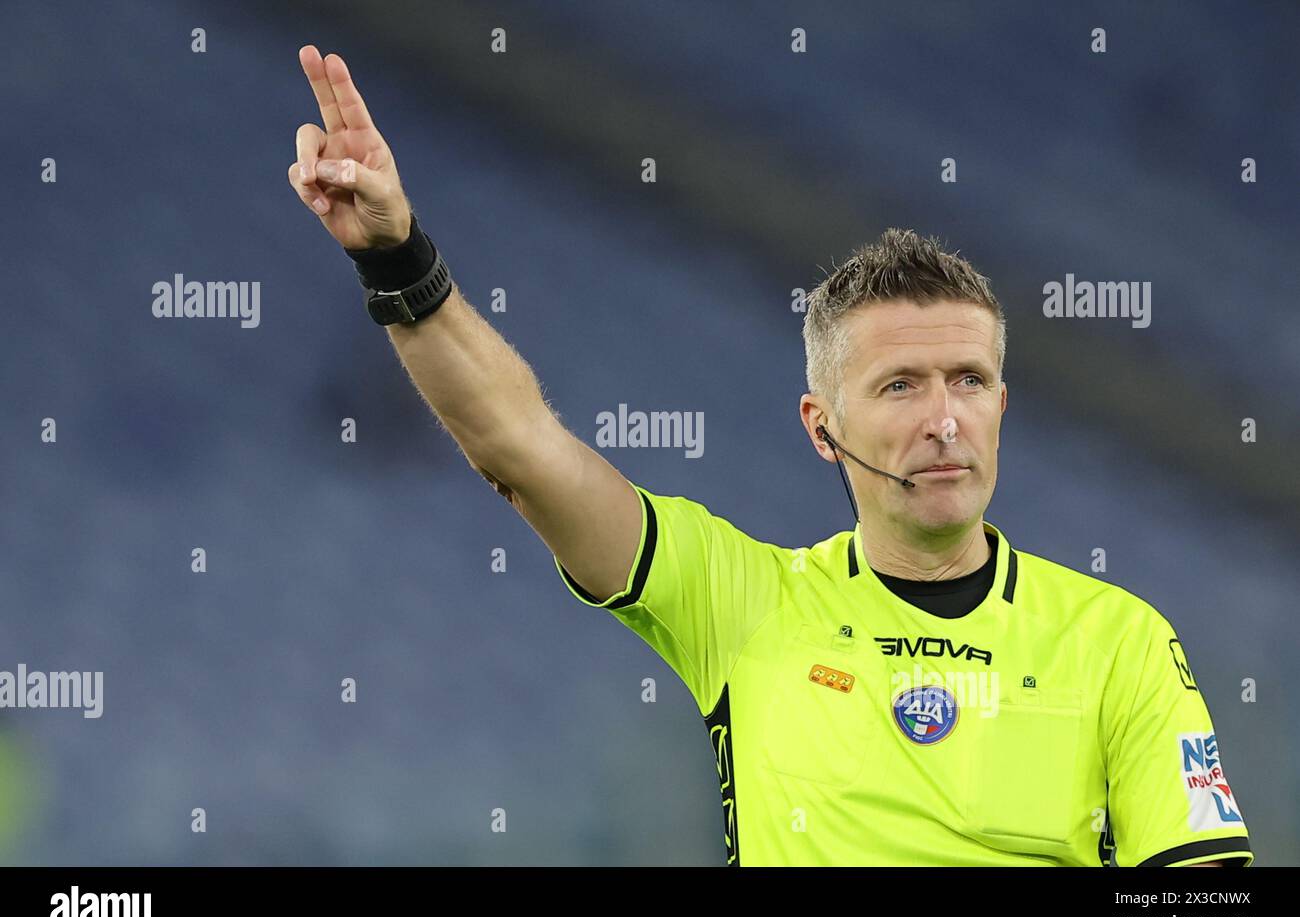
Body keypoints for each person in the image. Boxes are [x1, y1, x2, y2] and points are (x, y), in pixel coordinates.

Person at [288, 45, 1251, 867]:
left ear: (1003, 403)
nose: (945, 420)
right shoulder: (742, 602)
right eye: (900, 386)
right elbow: (523, 449)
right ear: (819, 425)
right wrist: (397, 260)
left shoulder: (1117, 640)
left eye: (967, 380)